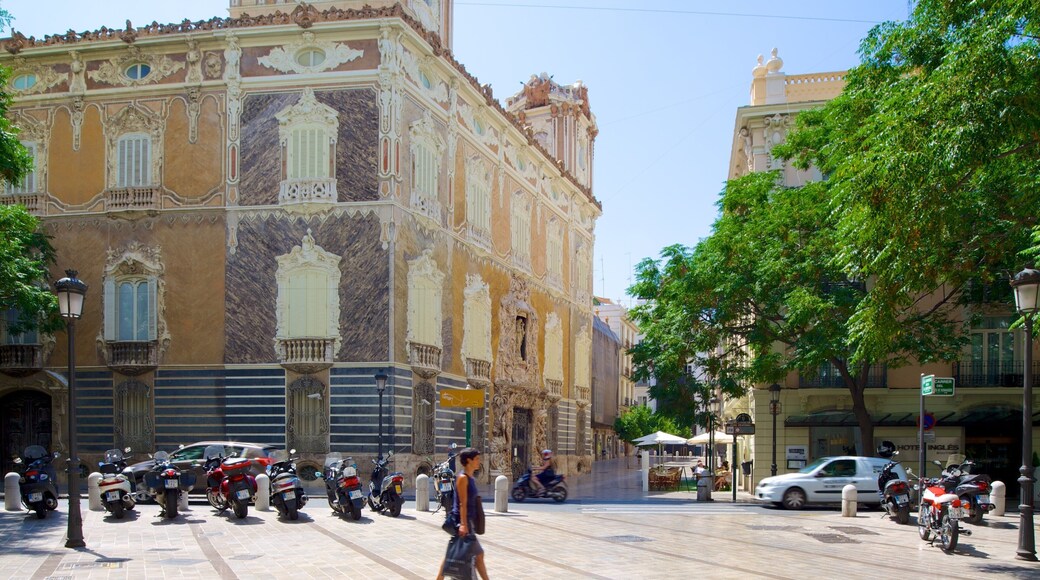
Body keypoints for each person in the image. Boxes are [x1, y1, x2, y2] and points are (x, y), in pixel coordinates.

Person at [437, 447, 489, 580]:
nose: (479, 461)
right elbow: (462, 504)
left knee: (474, 555)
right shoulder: (462, 478)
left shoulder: (470, 478)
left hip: (467, 522)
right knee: (462, 554)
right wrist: (464, 525)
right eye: (476, 459)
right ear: (468, 460)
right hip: (461, 522)